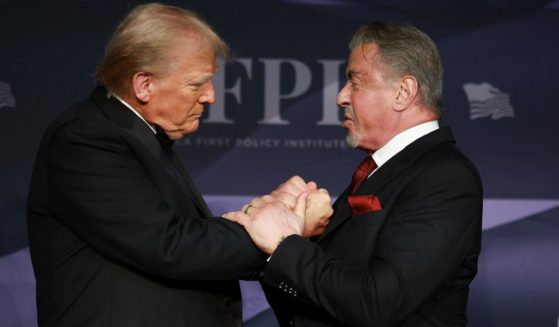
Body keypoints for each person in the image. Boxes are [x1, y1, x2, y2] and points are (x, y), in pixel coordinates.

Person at [26, 3, 272, 326]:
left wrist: (260, 221)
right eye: (197, 84)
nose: (211, 96)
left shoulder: (141, 136)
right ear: (144, 84)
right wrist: (272, 235)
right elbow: (169, 246)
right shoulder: (85, 138)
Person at [225, 21, 483, 326]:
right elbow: (322, 299)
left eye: (355, 82)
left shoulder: (444, 177)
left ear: (403, 91)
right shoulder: (378, 171)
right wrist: (283, 238)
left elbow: (376, 303)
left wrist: (284, 243)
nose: (341, 97)